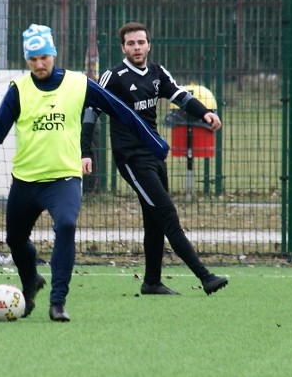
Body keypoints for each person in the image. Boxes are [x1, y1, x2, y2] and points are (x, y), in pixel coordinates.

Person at [0, 24, 170, 322]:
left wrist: (154, 142)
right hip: (26, 181)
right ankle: (30, 282)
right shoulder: (18, 90)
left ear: (54, 54)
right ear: (27, 60)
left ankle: (58, 301)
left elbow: (122, 111)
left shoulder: (77, 84)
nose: (39, 64)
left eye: (44, 57)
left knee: (65, 225)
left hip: (64, 179)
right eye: (33, 59)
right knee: (15, 239)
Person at [87, 21, 228, 296]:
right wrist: (84, 151)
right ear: (123, 48)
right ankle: (205, 276)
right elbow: (91, 110)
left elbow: (180, 95)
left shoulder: (156, 73)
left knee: (154, 220)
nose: (137, 48)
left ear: (148, 45)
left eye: (141, 42)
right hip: (131, 159)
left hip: (154, 154)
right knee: (166, 213)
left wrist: (204, 113)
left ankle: (152, 281)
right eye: (131, 43)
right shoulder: (112, 76)